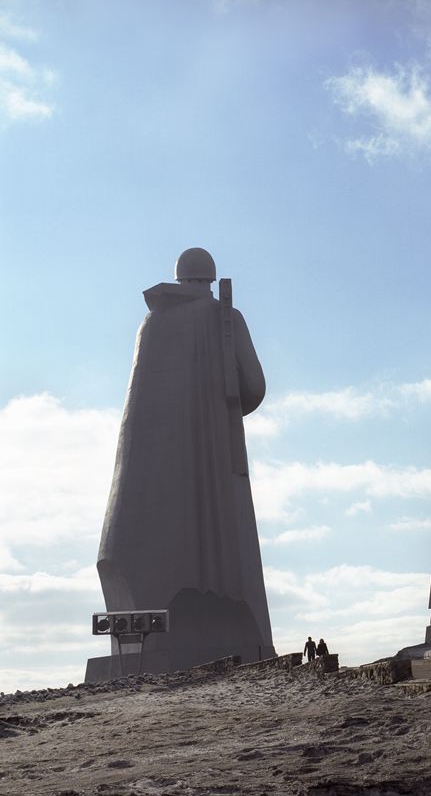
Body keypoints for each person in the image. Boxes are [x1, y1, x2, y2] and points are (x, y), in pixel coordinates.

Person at [93, 248, 277, 677]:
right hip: (219, 464)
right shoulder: (227, 318)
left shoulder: (153, 323)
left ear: (178, 278)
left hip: (149, 477)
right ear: (210, 280)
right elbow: (254, 386)